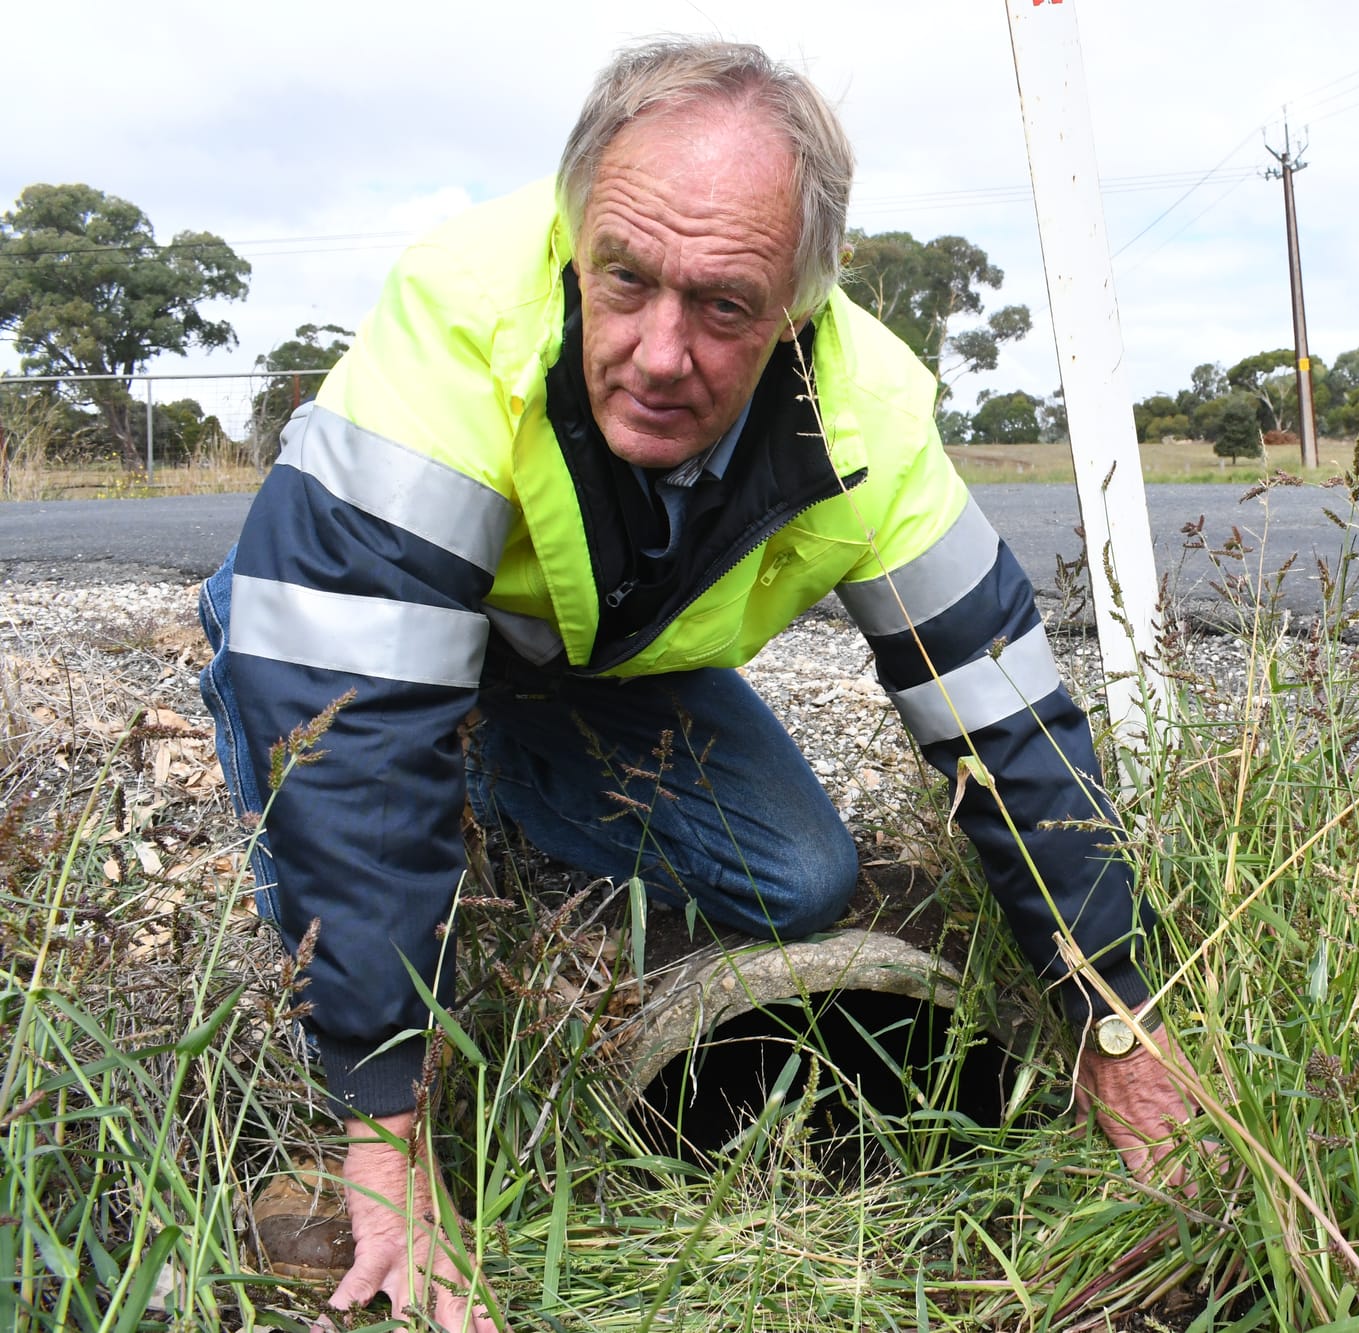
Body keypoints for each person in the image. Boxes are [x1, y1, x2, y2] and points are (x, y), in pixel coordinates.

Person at [200, 36, 1195, 1331]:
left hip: (571, 667)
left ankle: (488, 766)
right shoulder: (459, 318)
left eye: (724, 305)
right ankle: (355, 759)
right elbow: (352, 728)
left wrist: (1118, 1015)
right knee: (365, 805)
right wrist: (388, 1120)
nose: (661, 351)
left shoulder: (868, 419)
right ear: (573, 242)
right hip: (350, 635)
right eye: (624, 281)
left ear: (798, 307)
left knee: (801, 880)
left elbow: (1010, 724)